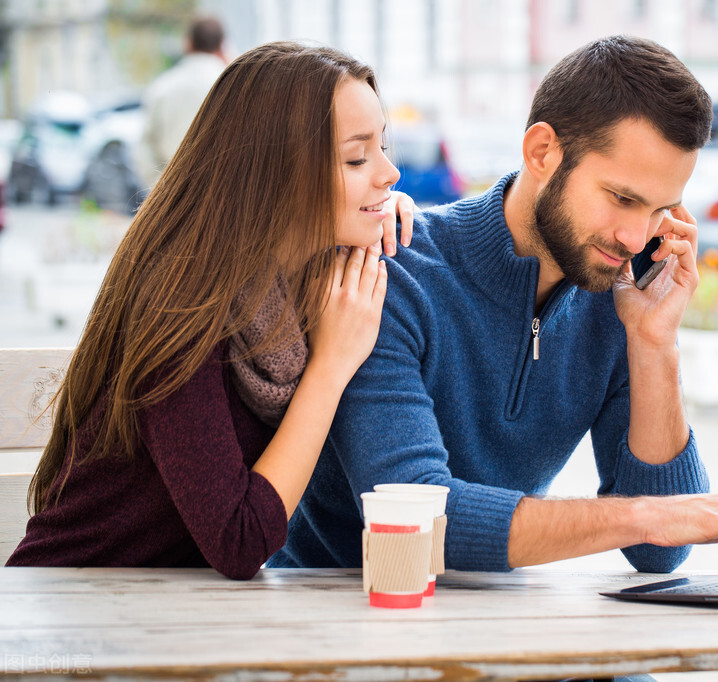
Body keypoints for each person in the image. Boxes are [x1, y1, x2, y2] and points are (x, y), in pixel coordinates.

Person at [270, 35, 718, 574]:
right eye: (622, 198)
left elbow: (660, 553)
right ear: (541, 152)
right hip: (343, 617)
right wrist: (646, 516)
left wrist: (654, 342)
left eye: (660, 209)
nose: (635, 237)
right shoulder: (387, 273)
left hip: (496, 624)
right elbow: (419, 516)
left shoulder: (617, 295)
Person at [6, 42, 415, 579]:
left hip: (175, 614)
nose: (390, 173)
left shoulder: (296, 279)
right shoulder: (183, 305)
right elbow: (239, 540)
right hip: (80, 605)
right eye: (357, 156)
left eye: (382, 147)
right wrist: (331, 366)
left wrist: (379, 219)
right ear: (276, 173)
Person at [136, 15, 228, 187]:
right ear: (223, 45)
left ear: (187, 44)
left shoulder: (162, 86)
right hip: (222, 190)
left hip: (170, 189)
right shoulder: (233, 85)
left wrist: (159, 189)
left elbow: (146, 148)